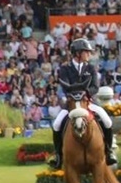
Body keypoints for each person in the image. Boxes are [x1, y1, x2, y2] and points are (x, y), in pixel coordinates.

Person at [49, 38, 117, 168]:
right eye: (86, 52)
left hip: (88, 102)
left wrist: (86, 94)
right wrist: (76, 94)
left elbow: (95, 87)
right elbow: (65, 86)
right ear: (78, 53)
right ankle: (58, 155)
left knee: (107, 121)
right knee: (57, 124)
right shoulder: (65, 68)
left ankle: (109, 151)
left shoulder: (90, 68)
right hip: (71, 104)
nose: (89, 54)